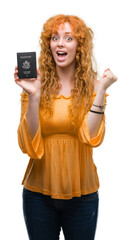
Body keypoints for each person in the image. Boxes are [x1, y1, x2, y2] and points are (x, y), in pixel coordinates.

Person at [14, 14, 117, 240]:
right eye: (55, 37)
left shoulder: (93, 85)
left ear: (79, 46)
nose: (60, 43)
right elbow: (28, 143)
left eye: (68, 38)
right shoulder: (36, 84)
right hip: (37, 195)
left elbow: (91, 138)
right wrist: (33, 95)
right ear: (48, 44)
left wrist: (100, 92)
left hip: (83, 196)